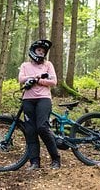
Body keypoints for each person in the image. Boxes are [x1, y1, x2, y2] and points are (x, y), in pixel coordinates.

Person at [18, 39, 60, 170]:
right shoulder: (25, 65)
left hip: (44, 98)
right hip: (28, 100)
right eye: (39, 50)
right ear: (33, 51)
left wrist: (38, 80)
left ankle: (56, 159)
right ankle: (34, 162)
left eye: (43, 51)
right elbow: (21, 79)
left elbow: (53, 81)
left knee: (42, 127)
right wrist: (34, 77)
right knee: (30, 131)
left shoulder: (48, 64)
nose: (41, 53)